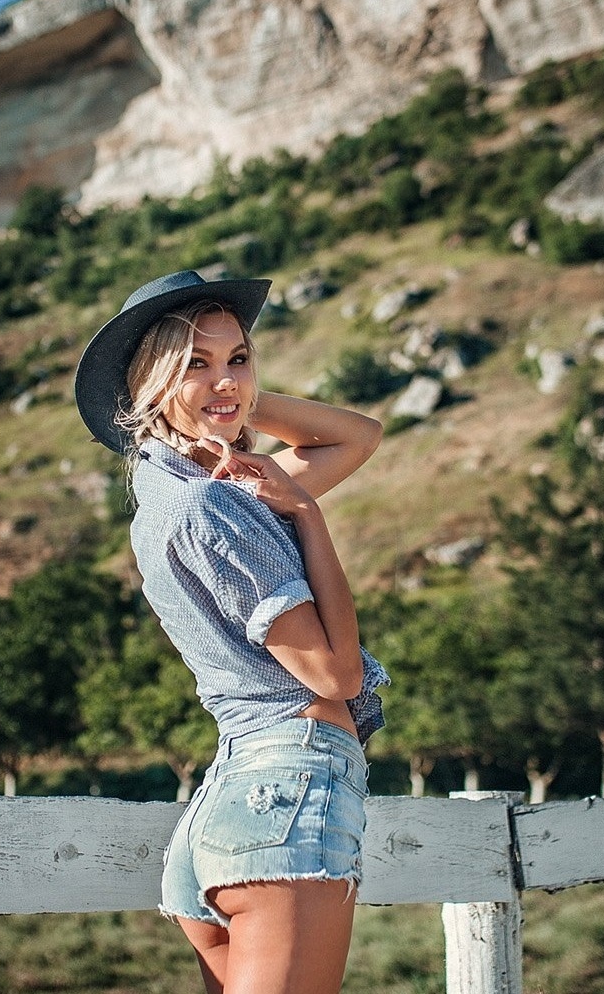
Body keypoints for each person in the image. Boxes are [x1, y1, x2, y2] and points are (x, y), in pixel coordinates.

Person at [74, 269, 388, 994]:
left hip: (231, 800)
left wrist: (224, 397)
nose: (227, 379)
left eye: (238, 356)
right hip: (287, 785)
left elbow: (359, 435)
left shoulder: (189, 492)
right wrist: (306, 513)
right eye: (194, 363)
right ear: (149, 386)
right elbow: (337, 677)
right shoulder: (214, 510)